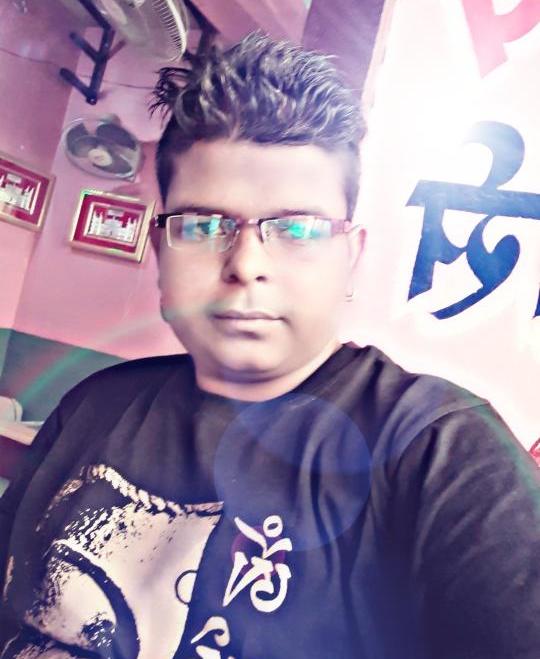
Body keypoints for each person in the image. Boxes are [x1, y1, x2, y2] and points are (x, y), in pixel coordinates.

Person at [1, 32, 539, 659]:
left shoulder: (439, 452)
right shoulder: (93, 407)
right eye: (204, 225)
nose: (246, 264)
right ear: (159, 250)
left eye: (298, 228)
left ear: (350, 256)